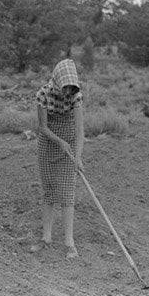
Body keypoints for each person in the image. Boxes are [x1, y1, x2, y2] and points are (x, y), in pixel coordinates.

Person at [32, 57, 84, 258]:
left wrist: (77, 157)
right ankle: (46, 238)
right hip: (48, 141)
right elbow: (42, 127)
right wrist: (59, 142)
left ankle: (69, 243)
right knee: (49, 189)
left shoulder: (76, 97)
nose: (68, 92)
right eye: (65, 87)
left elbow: (80, 132)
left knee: (67, 192)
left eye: (71, 88)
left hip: (69, 142)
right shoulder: (43, 94)